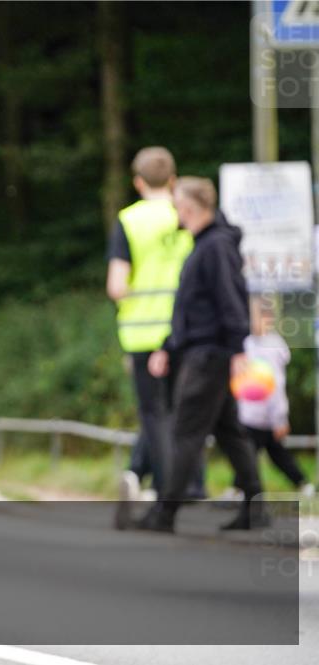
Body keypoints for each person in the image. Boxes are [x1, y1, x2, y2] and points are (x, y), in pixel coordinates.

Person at [137, 176, 265, 533]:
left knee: (185, 431)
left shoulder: (214, 247)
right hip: (203, 349)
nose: (175, 212)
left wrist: (238, 347)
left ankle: (164, 514)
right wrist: (168, 344)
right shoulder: (205, 245)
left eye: (177, 205)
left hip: (209, 354)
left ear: (189, 207)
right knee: (228, 431)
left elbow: (230, 299)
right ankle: (256, 507)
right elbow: (192, 307)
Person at [106, 147, 199, 530]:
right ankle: (166, 479)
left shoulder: (129, 221)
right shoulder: (188, 214)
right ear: (174, 179)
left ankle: (166, 491)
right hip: (187, 330)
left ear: (138, 182)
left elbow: (117, 285)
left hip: (144, 333)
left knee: (154, 414)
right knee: (182, 411)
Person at [235, 297, 314, 497]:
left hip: (268, 414)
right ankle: (240, 489)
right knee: (249, 452)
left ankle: (302, 483)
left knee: (273, 454)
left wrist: (280, 417)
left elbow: (277, 385)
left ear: (268, 318)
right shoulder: (245, 343)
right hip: (248, 413)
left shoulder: (273, 345)